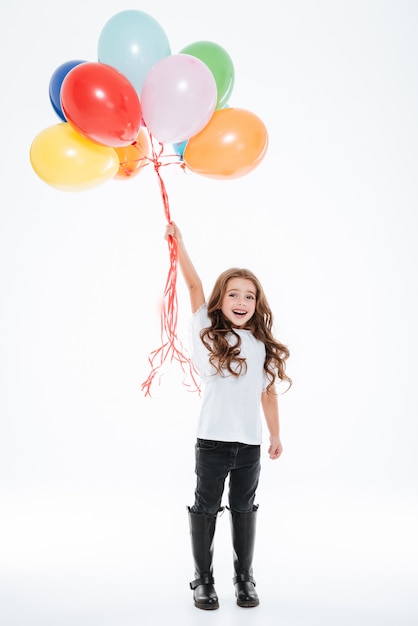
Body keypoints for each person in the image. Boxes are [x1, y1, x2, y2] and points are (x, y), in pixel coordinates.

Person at [165, 222, 291, 611]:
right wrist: (180, 245)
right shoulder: (208, 330)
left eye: (249, 296)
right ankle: (203, 580)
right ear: (220, 300)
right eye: (233, 294)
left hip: (250, 443)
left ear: (257, 303)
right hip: (213, 441)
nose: (241, 301)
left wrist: (275, 436)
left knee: (243, 507)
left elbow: (268, 394)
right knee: (206, 507)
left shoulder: (260, 345)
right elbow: (192, 286)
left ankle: (244, 578)